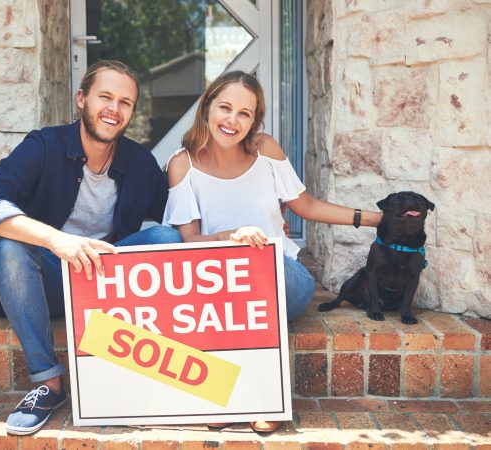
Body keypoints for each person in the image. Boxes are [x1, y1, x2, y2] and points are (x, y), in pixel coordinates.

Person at [0, 60, 182, 436]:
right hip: (48, 282)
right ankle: (48, 384)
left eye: (125, 102)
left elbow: (178, 221)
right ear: (82, 99)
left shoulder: (140, 163)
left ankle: (129, 376)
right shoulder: (44, 145)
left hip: (101, 286)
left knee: (166, 239)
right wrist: (55, 239)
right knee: (10, 249)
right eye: (105, 97)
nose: (114, 109)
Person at [163, 71, 382, 433]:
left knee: (256, 275)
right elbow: (188, 242)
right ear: (208, 108)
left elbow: (306, 205)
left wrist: (376, 220)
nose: (232, 120)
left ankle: (260, 397)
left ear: (254, 121)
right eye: (225, 108)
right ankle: (237, 396)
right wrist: (229, 237)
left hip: (283, 276)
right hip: (220, 288)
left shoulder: (266, 150)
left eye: (244, 114)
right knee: (231, 290)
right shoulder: (182, 163)